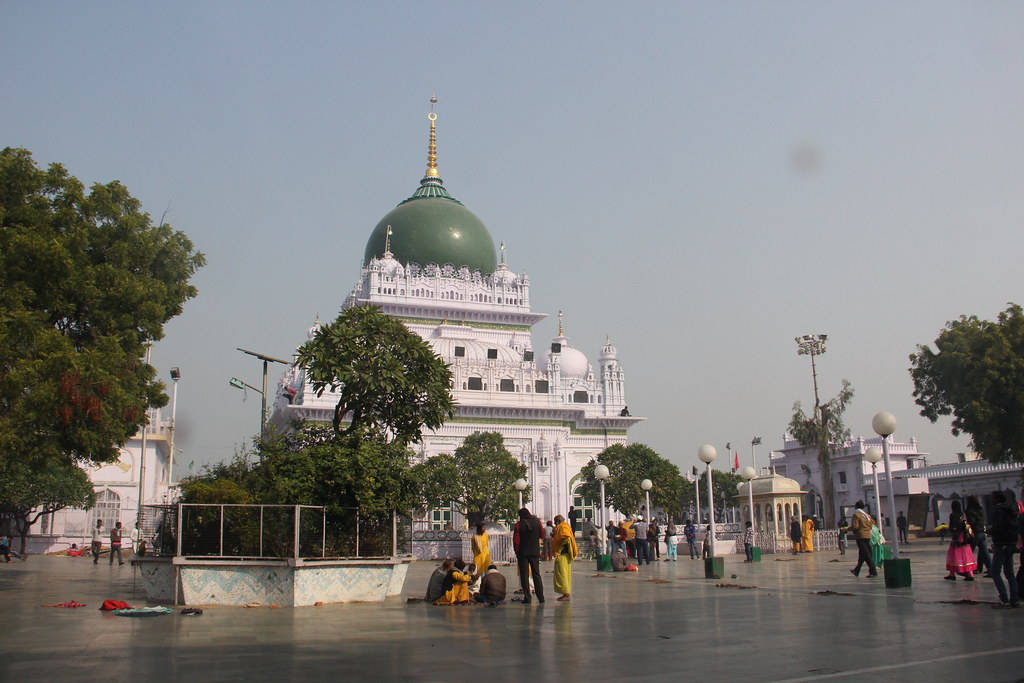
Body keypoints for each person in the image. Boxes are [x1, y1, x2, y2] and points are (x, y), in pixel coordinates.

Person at [987, 490, 1019, 608]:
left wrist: (990, 531)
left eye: (993, 498)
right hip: (1011, 543)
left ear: (996, 499)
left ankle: (1004, 599)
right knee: (1009, 572)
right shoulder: (1010, 510)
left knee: (995, 571)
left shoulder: (998, 511)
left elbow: (999, 527)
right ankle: (1014, 599)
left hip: (1002, 543)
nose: (991, 500)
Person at [513, 507, 545, 604]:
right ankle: (541, 597)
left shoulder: (519, 525)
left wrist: (517, 552)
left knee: (524, 575)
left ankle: (527, 597)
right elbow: (542, 535)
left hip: (523, 553)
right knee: (536, 574)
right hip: (535, 552)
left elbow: (516, 541)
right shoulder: (537, 522)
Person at [944, 500, 978, 581]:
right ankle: (970, 574)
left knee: (953, 555)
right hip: (964, 538)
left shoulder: (953, 515)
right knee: (966, 555)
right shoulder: (962, 515)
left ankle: (952, 574)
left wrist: (949, 528)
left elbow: (953, 527)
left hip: (957, 538)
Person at [551, 514, 578, 601]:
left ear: (558, 521)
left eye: (555, 522)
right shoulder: (564, 527)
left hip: (563, 555)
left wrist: (560, 548)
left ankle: (566, 594)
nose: (555, 525)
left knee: (562, 575)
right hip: (564, 555)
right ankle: (566, 593)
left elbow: (566, 538)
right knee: (564, 574)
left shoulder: (563, 527)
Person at [849, 501, 878, 578]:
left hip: (860, 536)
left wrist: (846, 528)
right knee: (862, 554)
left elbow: (855, 526)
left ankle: (873, 571)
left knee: (866, 554)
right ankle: (856, 570)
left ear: (856, 506)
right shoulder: (866, 515)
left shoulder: (856, 515)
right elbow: (873, 523)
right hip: (867, 535)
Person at [965, 496, 991, 576]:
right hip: (982, 532)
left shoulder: (970, 511)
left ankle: (971, 569)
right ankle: (990, 569)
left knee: (970, 552)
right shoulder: (980, 509)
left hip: (975, 533)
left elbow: (971, 522)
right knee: (984, 551)